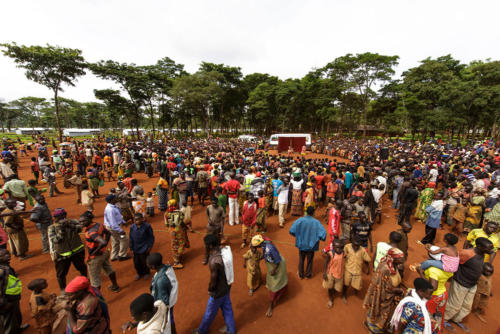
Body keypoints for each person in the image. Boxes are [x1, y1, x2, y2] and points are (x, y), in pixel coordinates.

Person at [444, 237, 494, 332]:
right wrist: (451, 276)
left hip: (472, 284)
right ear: (479, 246)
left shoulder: (482, 254)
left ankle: (456, 319)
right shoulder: (467, 253)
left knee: (466, 306)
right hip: (461, 282)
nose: (491, 250)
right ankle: (445, 319)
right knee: (454, 304)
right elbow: (455, 261)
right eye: (489, 248)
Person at [193, 234, 236, 334]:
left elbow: (213, 280)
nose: (205, 247)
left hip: (218, 291)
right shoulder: (225, 250)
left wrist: (210, 290)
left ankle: (201, 331)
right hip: (227, 285)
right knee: (227, 308)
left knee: (209, 312)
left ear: (210, 246)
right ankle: (231, 330)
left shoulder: (214, 261)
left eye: (206, 245)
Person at [363, 248, 406, 333]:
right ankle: (373, 329)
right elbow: (383, 288)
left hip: (391, 296)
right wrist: (397, 290)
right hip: (383, 297)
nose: (403, 260)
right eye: (400, 258)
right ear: (394, 258)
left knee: (386, 314)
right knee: (379, 313)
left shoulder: (393, 265)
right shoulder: (385, 269)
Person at [79, 211, 120, 292]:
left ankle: (97, 299)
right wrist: (103, 247)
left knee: (94, 280)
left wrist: (95, 251)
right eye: (80, 221)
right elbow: (108, 233)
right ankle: (115, 286)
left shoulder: (91, 232)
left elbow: (103, 242)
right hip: (104, 253)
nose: (81, 223)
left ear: (90, 220)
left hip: (95, 257)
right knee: (108, 269)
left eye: (84, 221)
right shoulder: (99, 225)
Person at [48, 208, 87, 292]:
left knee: (82, 267)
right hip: (62, 255)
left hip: (77, 250)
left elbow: (80, 228)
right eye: (59, 217)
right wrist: (61, 231)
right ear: (55, 217)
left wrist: (70, 226)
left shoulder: (72, 222)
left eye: (63, 215)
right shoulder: (52, 228)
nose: (62, 218)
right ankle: (63, 290)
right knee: (61, 274)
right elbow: (56, 240)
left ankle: (85, 282)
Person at [252, 234, 288, 318]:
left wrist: (274, 270)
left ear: (259, 245)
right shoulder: (264, 240)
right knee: (275, 280)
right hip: (272, 264)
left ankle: (271, 306)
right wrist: (261, 257)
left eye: (255, 246)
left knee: (274, 286)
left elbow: (277, 261)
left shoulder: (269, 249)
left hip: (277, 265)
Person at [289, 206, 327, 279]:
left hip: (301, 244)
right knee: (310, 260)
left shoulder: (300, 220)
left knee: (301, 259)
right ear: (313, 213)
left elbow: (292, 231)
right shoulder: (316, 222)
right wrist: (318, 238)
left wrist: (298, 236)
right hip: (311, 246)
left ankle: (300, 274)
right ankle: (308, 275)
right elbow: (323, 234)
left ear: (306, 212)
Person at [147, 253, 178, 334]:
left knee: (168, 323)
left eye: (148, 264)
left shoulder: (161, 281)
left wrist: (158, 310)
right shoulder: (166, 268)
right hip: (170, 299)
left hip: (166, 306)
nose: (147, 265)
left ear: (153, 266)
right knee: (170, 321)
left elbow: (163, 302)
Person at [0, 248, 27, 334]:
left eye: (8, 253)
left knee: (16, 316)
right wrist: (4, 303)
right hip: (6, 301)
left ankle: (17, 329)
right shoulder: (1, 271)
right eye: (4, 255)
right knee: (8, 321)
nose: (8, 256)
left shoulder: (6, 266)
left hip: (13, 298)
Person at [343, 236, 371, 302]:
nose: (356, 247)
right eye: (354, 245)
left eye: (357, 245)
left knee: (357, 285)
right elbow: (343, 255)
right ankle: (344, 295)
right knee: (346, 284)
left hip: (357, 271)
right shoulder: (347, 247)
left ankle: (355, 291)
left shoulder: (362, 250)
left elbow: (366, 260)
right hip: (348, 269)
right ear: (352, 242)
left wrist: (367, 268)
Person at [103, 194, 130, 262]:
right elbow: (113, 223)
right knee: (124, 239)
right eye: (115, 198)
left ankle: (114, 256)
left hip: (113, 226)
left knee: (115, 241)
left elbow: (118, 216)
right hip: (114, 228)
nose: (116, 199)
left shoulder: (113, 206)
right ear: (111, 200)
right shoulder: (110, 210)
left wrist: (123, 222)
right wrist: (120, 230)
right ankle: (122, 255)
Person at [165, 200, 190, 269]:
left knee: (174, 244)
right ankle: (177, 260)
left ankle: (176, 259)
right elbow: (182, 222)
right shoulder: (179, 213)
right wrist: (186, 227)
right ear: (176, 205)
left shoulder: (166, 213)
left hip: (171, 231)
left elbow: (166, 224)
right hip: (178, 230)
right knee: (181, 243)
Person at [130, 213, 155, 280]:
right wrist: (131, 248)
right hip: (135, 248)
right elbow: (131, 238)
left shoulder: (147, 226)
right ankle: (139, 273)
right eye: (135, 220)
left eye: (138, 219)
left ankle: (146, 272)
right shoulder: (132, 227)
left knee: (144, 261)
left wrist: (149, 246)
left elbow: (151, 237)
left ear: (142, 219)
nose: (137, 221)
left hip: (144, 247)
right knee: (136, 263)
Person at [322, 238, 345, 308]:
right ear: (333, 247)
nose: (339, 249)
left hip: (339, 273)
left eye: (341, 247)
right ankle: (331, 299)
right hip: (331, 273)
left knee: (337, 288)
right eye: (337, 247)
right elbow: (326, 263)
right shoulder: (330, 254)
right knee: (330, 287)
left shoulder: (343, 253)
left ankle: (333, 292)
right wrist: (324, 273)